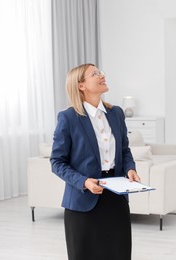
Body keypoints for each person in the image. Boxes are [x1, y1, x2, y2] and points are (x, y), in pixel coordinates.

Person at [50, 63, 140, 260]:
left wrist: (130, 169)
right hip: (83, 200)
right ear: (81, 85)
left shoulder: (116, 113)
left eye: (100, 72)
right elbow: (57, 162)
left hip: (116, 197)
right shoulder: (68, 118)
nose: (102, 75)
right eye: (95, 74)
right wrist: (84, 181)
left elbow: (124, 150)